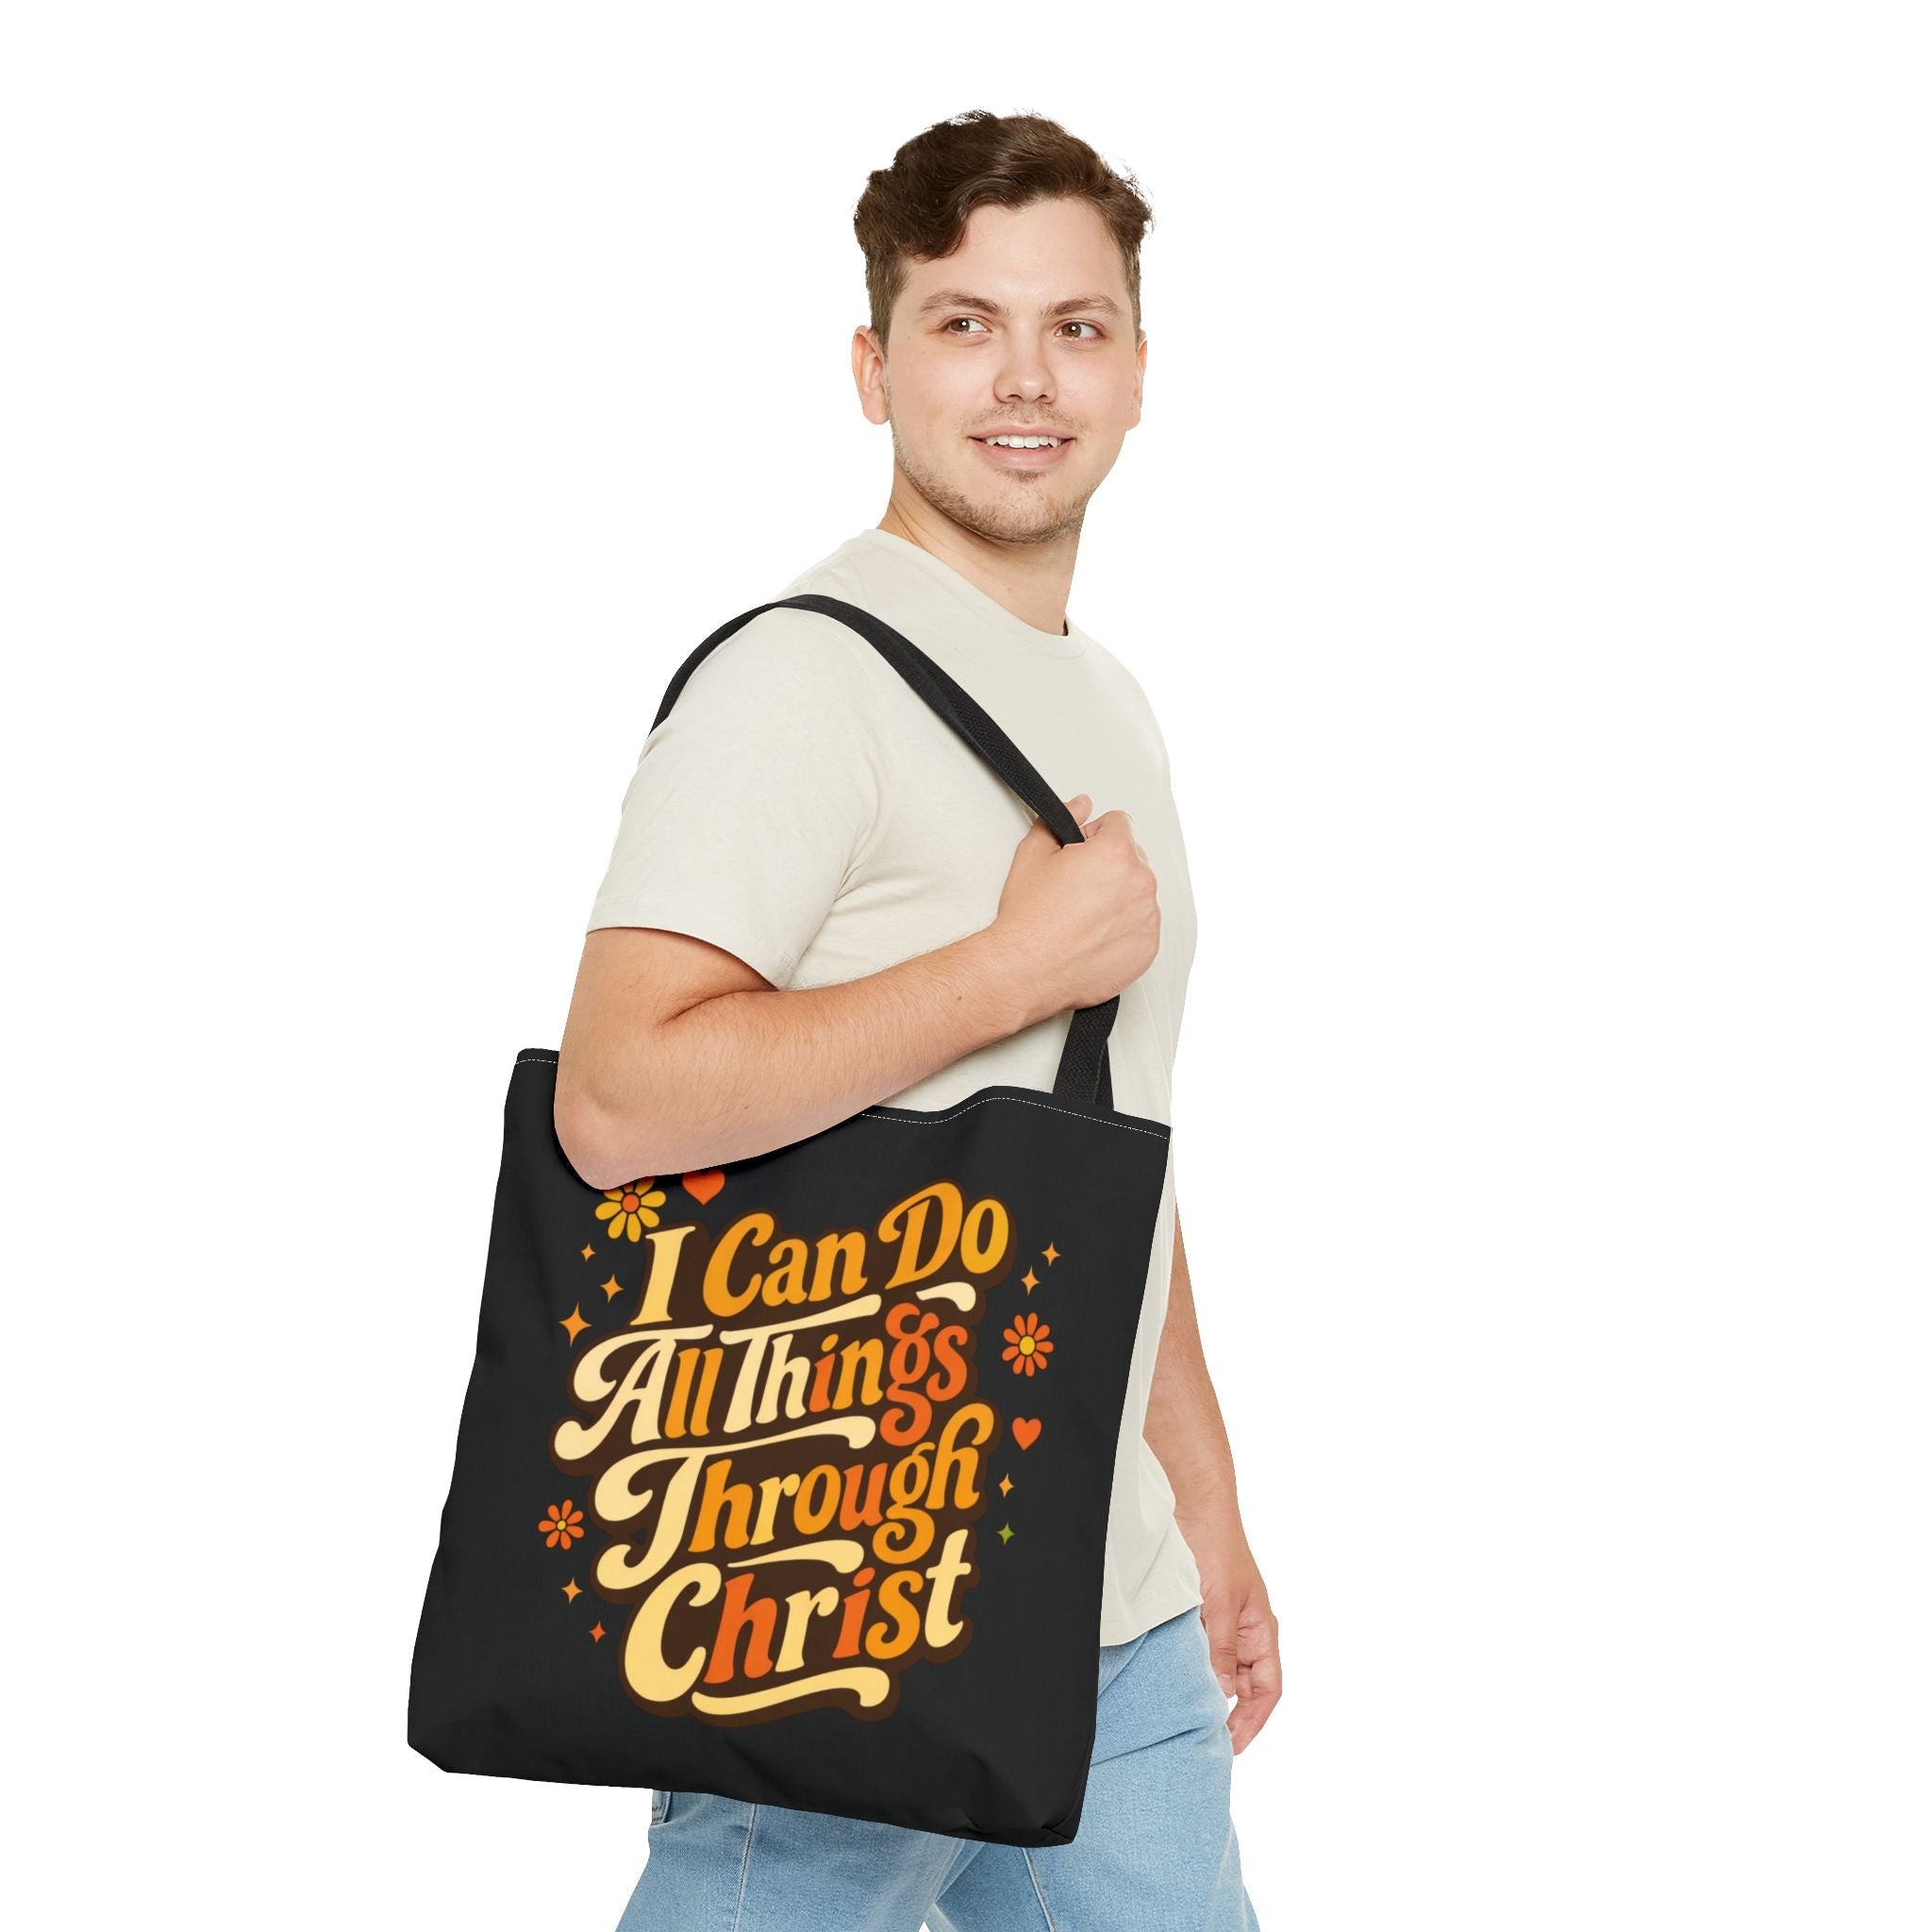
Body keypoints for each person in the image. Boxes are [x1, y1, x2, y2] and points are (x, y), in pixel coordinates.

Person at [557, 108, 1275, 1932]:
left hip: (1111, 1629)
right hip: (837, 1612)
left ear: (1135, 371)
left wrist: (1205, 1512)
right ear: (873, 368)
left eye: (1077, 325)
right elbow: (618, 1100)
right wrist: (1006, 969)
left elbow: (1112, 1137)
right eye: (965, 323)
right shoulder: (801, 680)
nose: (1026, 378)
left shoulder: (1107, 701)